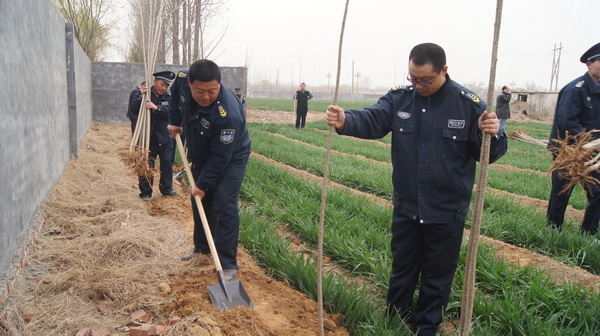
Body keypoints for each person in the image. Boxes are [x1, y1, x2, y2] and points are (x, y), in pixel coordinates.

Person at [325, 43, 507, 336]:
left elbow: (488, 152)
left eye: (426, 79)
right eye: (413, 78)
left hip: (447, 210)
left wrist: (494, 133)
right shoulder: (401, 98)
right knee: (403, 268)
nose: (419, 85)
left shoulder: (468, 104)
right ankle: (395, 317)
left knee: (437, 276)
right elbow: (374, 118)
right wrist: (345, 120)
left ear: (443, 71)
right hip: (408, 205)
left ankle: (426, 327)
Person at [168, 59, 251, 282]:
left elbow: (220, 157)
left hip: (231, 156)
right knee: (200, 201)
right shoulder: (182, 80)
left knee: (223, 203)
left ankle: (227, 263)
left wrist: (203, 185)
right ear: (191, 84)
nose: (205, 96)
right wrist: (175, 121)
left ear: (219, 85)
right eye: (200, 91)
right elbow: (175, 95)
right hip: (200, 149)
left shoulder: (228, 115)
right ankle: (202, 247)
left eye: (212, 91)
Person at [547, 42, 600, 236]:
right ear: (589, 64)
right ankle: (553, 230)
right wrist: (590, 142)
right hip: (568, 151)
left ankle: (588, 233)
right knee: (562, 192)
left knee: (597, 192)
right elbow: (568, 122)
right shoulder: (576, 89)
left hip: (593, 154)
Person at [128, 70, 179, 200]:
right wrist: (141, 96)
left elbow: (171, 113)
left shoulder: (169, 97)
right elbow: (133, 110)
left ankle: (167, 189)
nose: (164, 88)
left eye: (166, 86)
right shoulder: (144, 94)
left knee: (166, 164)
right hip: (147, 138)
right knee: (146, 164)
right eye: (162, 84)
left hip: (164, 138)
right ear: (155, 81)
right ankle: (146, 192)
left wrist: (157, 108)